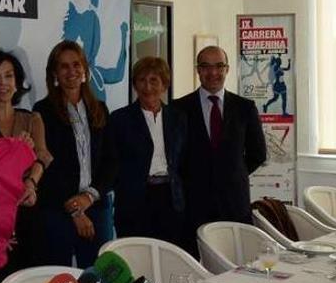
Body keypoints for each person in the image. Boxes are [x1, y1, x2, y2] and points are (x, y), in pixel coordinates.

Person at [174, 45, 266, 256]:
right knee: (196, 266)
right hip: (193, 206)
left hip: (234, 203)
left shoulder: (245, 108)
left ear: (227, 69)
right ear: (198, 70)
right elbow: (175, 158)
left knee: (238, 263)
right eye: (206, 66)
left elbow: (258, 153)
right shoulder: (179, 109)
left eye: (219, 66)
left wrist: (233, 173)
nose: (213, 73)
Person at [34, 40, 116, 269]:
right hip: (57, 209)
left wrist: (89, 197)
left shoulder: (100, 109)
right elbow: (47, 165)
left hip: (97, 207)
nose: (72, 71)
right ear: (54, 73)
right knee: (58, 279)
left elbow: (111, 161)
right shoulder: (42, 111)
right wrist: (75, 211)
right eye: (64, 66)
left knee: (97, 279)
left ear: (84, 69)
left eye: (76, 64)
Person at [0, 48, 53, 270]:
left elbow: (42, 158)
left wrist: (31, 183)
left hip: (27, 210)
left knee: (26, 278)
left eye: (9, 76)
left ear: (17, 82)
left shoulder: (31, 119)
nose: (3, 83)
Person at [109, 56, 187, 248]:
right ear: (134, 85)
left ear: (164, 85)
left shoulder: (178, 118)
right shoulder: (120, 119)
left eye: (154, 80)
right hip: (134, 200)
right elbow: (111, 162)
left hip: (171, 199)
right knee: (136, 254)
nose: (147, 87)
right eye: (141, 80)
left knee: (169, 254)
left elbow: (186, 161)